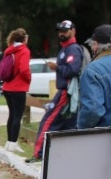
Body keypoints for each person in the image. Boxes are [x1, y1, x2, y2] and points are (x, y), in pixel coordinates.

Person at [28, 20, 85, 163]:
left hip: (67, 93)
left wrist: (57, 67)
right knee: (69, 126)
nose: (62, 34)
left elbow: (72, 70)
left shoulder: (73, 49)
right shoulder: (64, 50)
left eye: (65, 31)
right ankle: (68, 157)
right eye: (60, 31)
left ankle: (39, 154)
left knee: (48, 121)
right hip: (66, 92)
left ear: (73, 31)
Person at [0, 28, 32, 153]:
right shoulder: (24, 50)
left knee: (12, 115)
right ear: (24, 39)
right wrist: (29, 79)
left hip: (7, 87)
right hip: (18, 87)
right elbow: (24, 69)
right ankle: (13, 143)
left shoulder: (9, 50)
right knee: (17, 116)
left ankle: (9, 142)